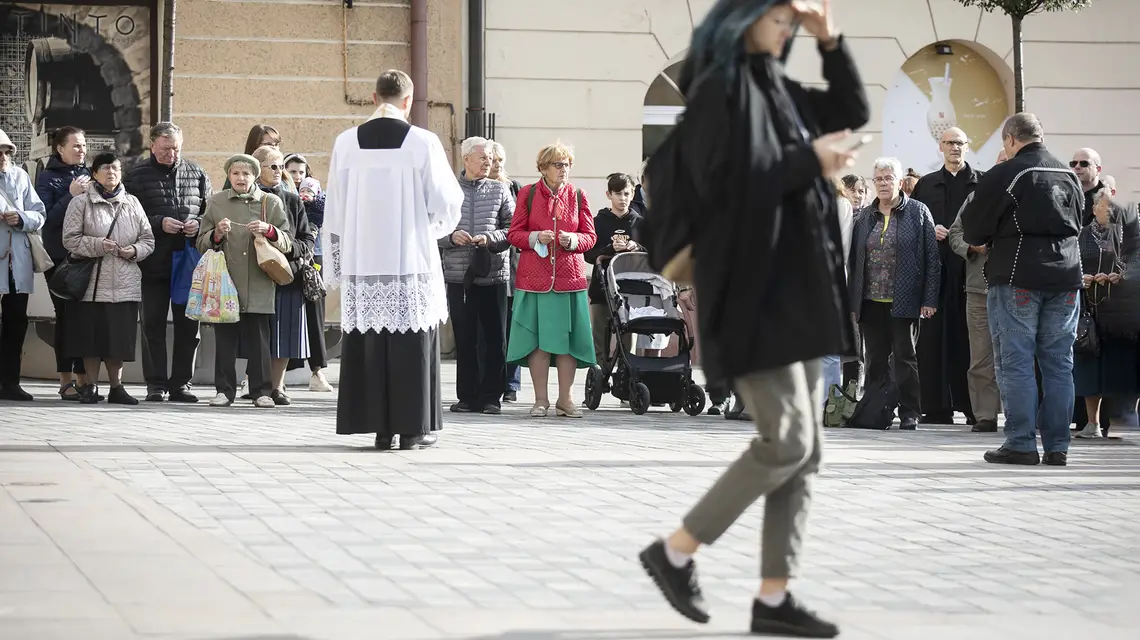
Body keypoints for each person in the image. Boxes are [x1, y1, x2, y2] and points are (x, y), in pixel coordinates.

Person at [635, 0, 868, 636]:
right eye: (779, 15)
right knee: (786, 441)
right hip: (750, 290)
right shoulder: (720, 92)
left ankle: (773, 597)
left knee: (807, 450)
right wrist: (810, 162)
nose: (788, 26)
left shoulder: (778, 87)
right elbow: (729, 191)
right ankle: (676, 550)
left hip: (797, 286)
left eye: (793, 18)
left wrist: (829, 39)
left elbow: (850, 110)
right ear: (742, 16)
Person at [323, 69, 463, 450]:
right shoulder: (422, 141)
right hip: (410, 260)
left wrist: (342, 255)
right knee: (411, 344)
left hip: (363, 261)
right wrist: (426, 226)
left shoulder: (346, 143)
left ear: (374, 98)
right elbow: (447, 202)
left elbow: (334, 208)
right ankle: (413, 429)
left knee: (372, 343)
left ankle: (381, 430)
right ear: (408, 101)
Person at [961, 113, 1083, 467]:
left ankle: (1021, 443)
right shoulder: (1069, 174)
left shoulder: (1007, 173)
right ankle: (1058, 447)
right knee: (1059, 364)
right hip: (1066, 275)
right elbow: (1079, 221)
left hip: (1018, 275)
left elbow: (974, 229)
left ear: (1011, 139)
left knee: (1016, 362)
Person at [505, 142, 597, 418]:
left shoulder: (578, 195)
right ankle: (540, 400)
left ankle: (566, 400)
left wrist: (574, 240)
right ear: (543, 168)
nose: (563, 169)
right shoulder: (528, 193)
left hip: (569, 279)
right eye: (558, 164)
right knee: (538, 342)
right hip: (535, 280)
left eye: (567, 164)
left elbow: (591, 237)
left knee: (567, 342)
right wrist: (535, 237)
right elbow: (514, 234)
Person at [848, 157, 940, 429]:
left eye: (889, 178)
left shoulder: (918, 212)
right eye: (878, 179)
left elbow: (932, 259)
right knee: (875, 359)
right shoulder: (865, 216)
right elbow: (854, 261)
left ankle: (910, 411)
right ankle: (876, 410)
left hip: (905, 298)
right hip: (870, 300)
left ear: (900, 182)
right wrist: (853, 302)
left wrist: (929, 299)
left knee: (904, 357)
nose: (883, 183)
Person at [197, 154, 294, 408]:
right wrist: (217, 234)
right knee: (225, 341)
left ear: (255, 176)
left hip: (260, 282)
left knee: (259, 341)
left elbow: (288, 242)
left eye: (246, 173)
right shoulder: (216, 202)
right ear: (229, 176)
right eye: (235, 173)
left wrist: (269, 230)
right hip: (225, 282)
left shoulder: (270, 202)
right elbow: (201, 242)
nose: (241, 178)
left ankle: (261, 391)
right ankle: (224, 391)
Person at [124, 122, 211, 403]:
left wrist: (198, 223)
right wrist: (159, 223)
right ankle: (156, 384)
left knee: (189, 326)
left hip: (188, 260)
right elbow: (128, 218)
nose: (171, 154)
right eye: (165, 149)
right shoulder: (136, 176)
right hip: (153, 262)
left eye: (176, 149)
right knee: (152, 325)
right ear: (152, 146)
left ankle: (182, 383)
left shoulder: (197, 172)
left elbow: (210, 211)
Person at [61, 151, 155, 405]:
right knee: (91, 339)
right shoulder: (80, 203)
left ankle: (117, 387)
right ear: (94, 174)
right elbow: (70, 240)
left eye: (116, 168)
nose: (111, 172)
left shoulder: (132, 203)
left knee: (118, 340)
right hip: (91, 283)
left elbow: (148, 240)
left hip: (125, 283)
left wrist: (133, 250)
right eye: (105, 168)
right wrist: (99, 245)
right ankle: (91, 386)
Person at [440, 136, 514, 415]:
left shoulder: (500, 189)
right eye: (482, 157)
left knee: (495, 338)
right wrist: (450, 237)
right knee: (465, 337)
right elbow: (432, 229)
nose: (488, 163)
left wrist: (490, 238)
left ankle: (492, 397)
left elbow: (513, 229)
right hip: (459, 276)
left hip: (493, 273)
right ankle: (467, 397)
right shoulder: (448, 191)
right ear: (466, 159)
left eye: (490, 158)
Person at [911, 127, 979, 425]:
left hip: (970, 271)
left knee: (970, 340)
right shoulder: (926, 184)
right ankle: (936, 407)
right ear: (940, 147)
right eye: (949, 143)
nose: (955, 147)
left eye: (960, 143)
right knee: (932, 341)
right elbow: (912, 224)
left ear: (967, 146)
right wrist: (931, 229)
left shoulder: (982, 182)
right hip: (935, 273)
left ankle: (974, 406)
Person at [946, 149, 1008, 433]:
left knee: (1017, 355)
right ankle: (985, 415)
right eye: (1001, 162)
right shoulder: (976, 198)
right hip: (978, 288)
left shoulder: (1028, 198)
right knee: (981, 357)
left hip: (1016, 288)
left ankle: (1019, 414)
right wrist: (970, 247)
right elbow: (955, 233)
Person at [252, 145, 315, 406]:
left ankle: (277, 387)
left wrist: (289, 251)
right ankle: (258, 386)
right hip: (254, 276)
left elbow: (307, 239)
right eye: (273, 166)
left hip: (288, 275)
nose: (279, 171)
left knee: (285, 333)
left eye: (281, 166)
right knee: (259, 335)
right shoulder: (247, 199)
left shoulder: (292, 200)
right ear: (258, 170)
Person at [34, 126, 91, 399]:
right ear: (60, 149)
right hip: (60, 260)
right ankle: (65, 381)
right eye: (76, 145)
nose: (82, 150)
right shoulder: (47, 177)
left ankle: (85, 380)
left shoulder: (89, 174)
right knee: (66, 319)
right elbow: (47, 220)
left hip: (87, 257)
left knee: (84, 320)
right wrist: (71, 194)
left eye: (84, 145)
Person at [0, 128, 47, 401]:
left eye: (6, 151)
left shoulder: (20, 176)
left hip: (17, 262)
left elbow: (39, 213)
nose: (3, 156)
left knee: (16, 323)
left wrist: (21, 218)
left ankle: (11, 382)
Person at [584, 172, 642, 365]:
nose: (622, 198)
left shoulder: (640, 223)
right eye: (618, 193)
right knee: (599, 342)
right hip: (601, 290)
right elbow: (588, 254)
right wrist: (609, 249)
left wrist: (637, 247)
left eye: (626, 193)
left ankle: (627, 379)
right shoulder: (597, 222)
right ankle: (599, 377)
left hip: (630, 292)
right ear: (608, 195)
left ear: (632, 194)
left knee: (628, 343)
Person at [490, 140, 523, 403]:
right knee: (493, 330)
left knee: (512, 327)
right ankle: (491, 380)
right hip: (487, 266)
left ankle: (511, 383)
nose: (497, 164)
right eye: (493, 159)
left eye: (500, 160)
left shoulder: (514, 188)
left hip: (513, 268)